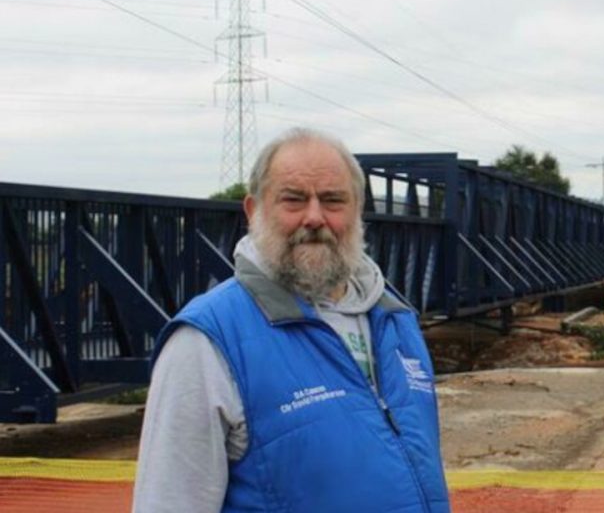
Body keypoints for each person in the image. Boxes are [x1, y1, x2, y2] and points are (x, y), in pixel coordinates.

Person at [132, 128, 451, 513]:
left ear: (357, 211)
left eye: (333, 200)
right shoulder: (207, 340)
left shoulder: (396, 320)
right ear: (253, 211)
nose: (314, 217)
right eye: (294, 200)